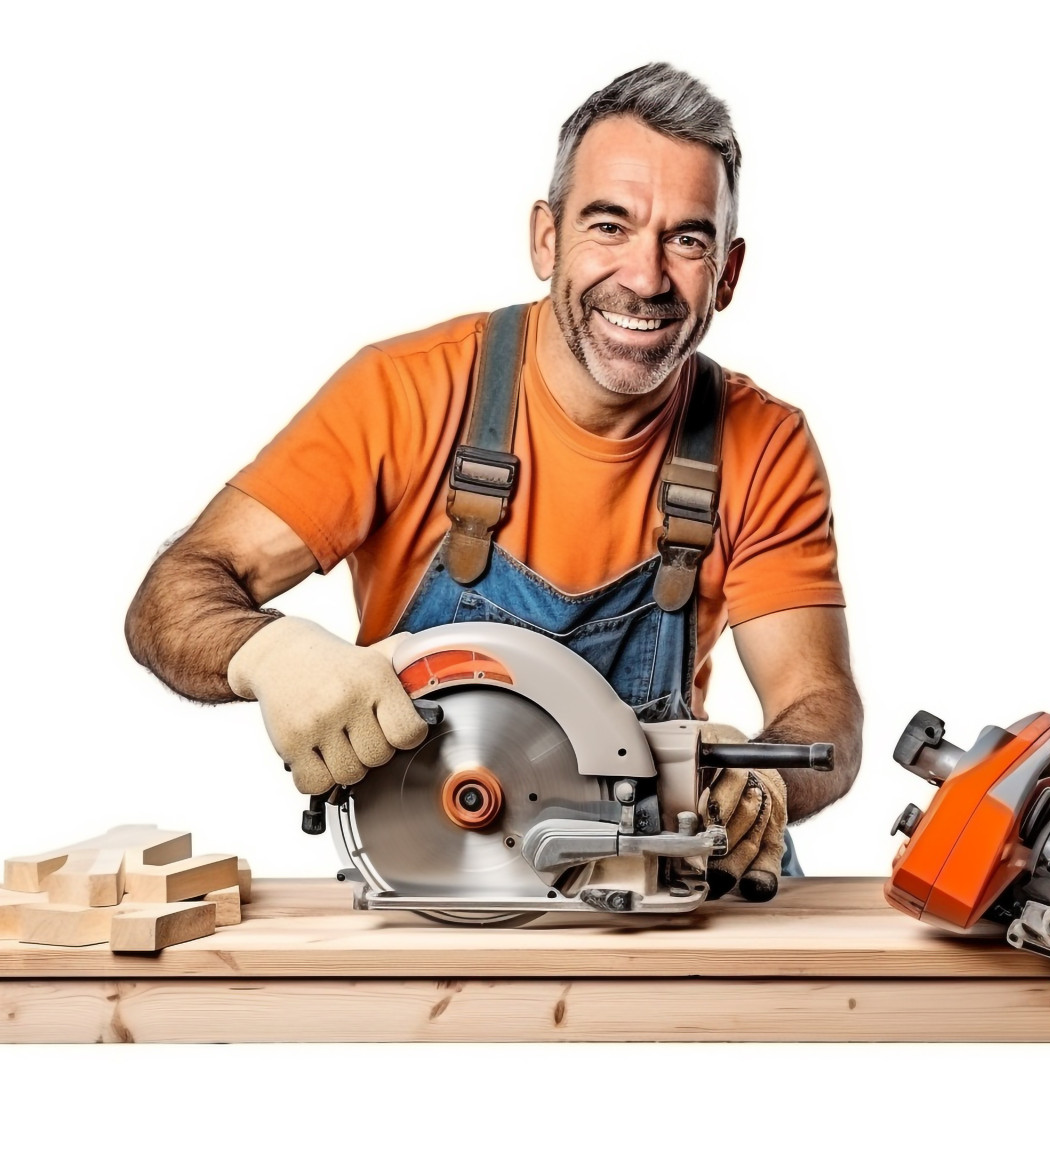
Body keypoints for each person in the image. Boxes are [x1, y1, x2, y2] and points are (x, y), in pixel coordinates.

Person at [125, 63, 863, 902]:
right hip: (446, 877)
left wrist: (762, 783)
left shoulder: (763, 444)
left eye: (687, 240)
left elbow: (822, 712)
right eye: (609, 226)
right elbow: (174, 594)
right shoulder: (403, 395)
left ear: (726, 274)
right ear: (546, 238)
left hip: (666, 890)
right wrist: (268, 653)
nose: (646, 278)